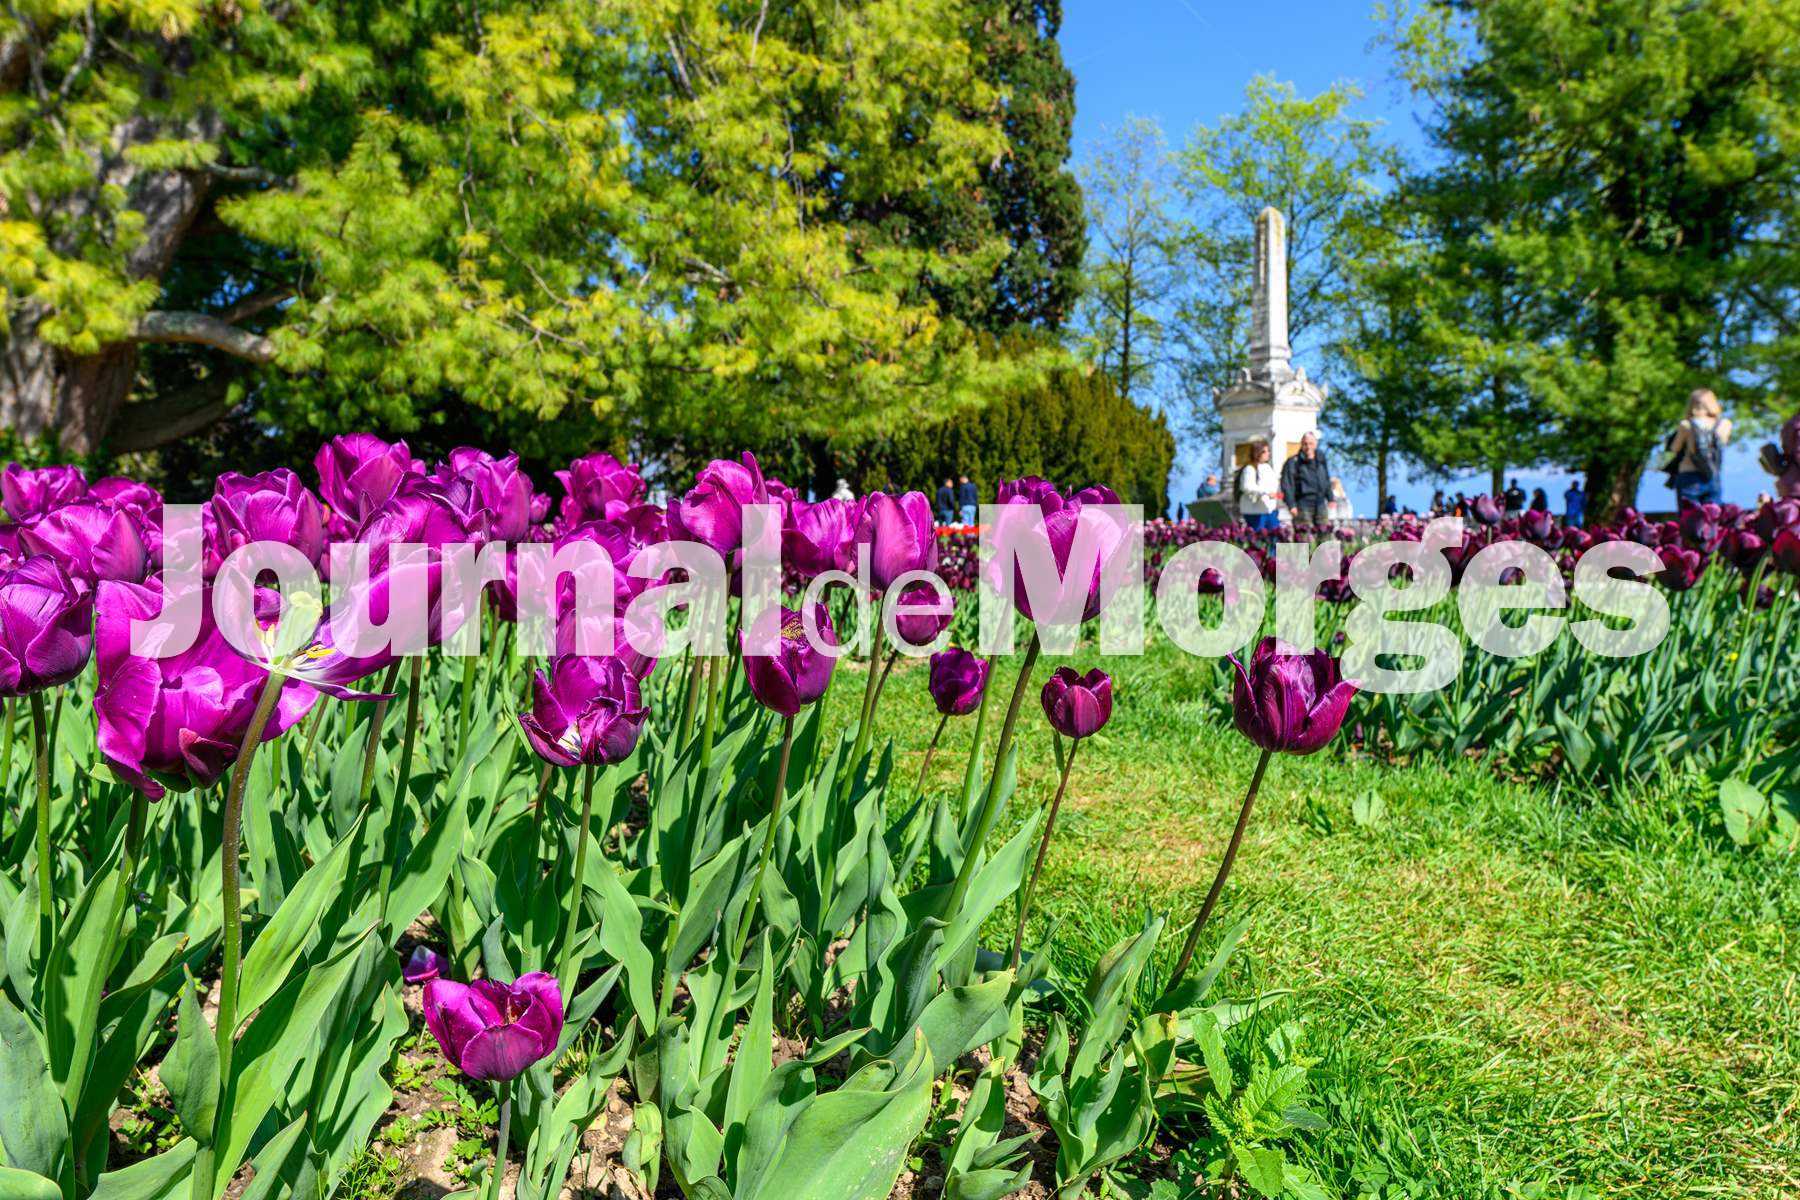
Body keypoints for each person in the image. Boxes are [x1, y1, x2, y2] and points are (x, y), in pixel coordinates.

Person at [1663, 387, 1730, 506]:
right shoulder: (1725, 424)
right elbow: (1722, 444)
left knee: (1690, 515)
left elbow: (1675, 448)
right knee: (1713, 515)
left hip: (1689, 475)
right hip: (1713, 475)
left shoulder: (1686, 425)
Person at [1279, 431, 1332, 527]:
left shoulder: (1320, 459)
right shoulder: (1293, 462)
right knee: (1304, 534)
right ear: (1301, 444)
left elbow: (1326, 479)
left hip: (1320, 503)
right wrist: (1291, 505)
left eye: (1311, 443)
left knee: (1324, 532)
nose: (1308, 447)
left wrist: (1330, 498)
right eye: (1305, 444)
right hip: (1302, 504)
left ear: (1316, 444)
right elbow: (1287, 485)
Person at [1235, 441, 1280, 531]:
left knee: (1276, 535)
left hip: (1269, 509)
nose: (1268, 453)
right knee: (1258, 537)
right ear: (1257, 453)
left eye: (1268, 451)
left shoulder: (1267, 467)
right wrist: (1266, 492)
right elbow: (1247, 487)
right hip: (1255, 512)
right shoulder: (1249, 468)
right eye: (1265, 451)